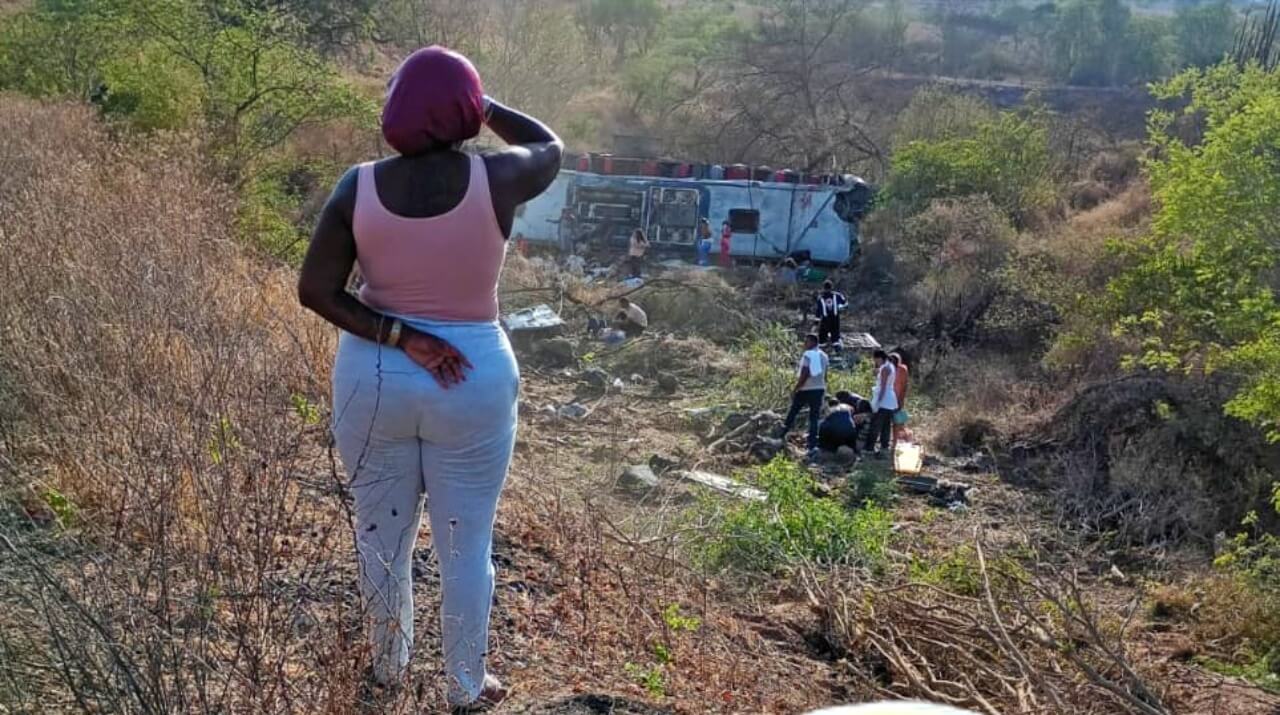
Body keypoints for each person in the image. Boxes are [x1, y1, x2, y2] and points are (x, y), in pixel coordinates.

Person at [297, 46, 563, 711]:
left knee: (379, 537)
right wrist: (483, 105)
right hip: (472, 377)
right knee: (466, 545)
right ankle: (466, 687)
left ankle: (388, 670)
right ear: (463, 111)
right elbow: (550, 145)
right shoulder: (496, 178)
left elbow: (315, 289)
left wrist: (401, 335)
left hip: (374, 374)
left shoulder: (357, 186)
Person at [778, 333, 829, 455]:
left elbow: (805, 373)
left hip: (806, 389)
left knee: (793, 412)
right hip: (819, 389)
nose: (804, 344)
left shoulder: (809, 354)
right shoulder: (824, 355)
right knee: (814, 417)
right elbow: (825, 374)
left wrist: (796, 388)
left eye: (806, 342)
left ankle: (781, 435)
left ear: (813, 342)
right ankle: (812, 445)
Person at [863, 349, 899, 457]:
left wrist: (878, 402)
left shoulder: (884, 368)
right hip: (890, 401)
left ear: (879, 358)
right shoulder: (891, 366)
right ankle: (884, 447)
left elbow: (883, 387)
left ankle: (869, 448)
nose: (875, 362)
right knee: (886, 426)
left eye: (875, 359)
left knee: (876, 425)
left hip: (884, 400)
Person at [814, 280, 848, 349]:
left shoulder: (820, 298)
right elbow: (846, 304)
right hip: (834, 319)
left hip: (826, 320)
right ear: (832, 287)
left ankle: (823, 350)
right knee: (835, 338)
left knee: (823, 339)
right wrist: (842, 307)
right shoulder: (838, 295)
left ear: (823, 288)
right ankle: (837, 351)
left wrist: (816, 322)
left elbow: (818, 312)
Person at [890, 350, 912, 443]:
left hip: (896, 399)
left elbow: (904, 386)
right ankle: (892, 441)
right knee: (893, 422)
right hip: (890, 399)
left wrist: (901, 400)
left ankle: (895, 442)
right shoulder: (889, 369)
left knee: (897, 422)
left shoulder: (902, 370)